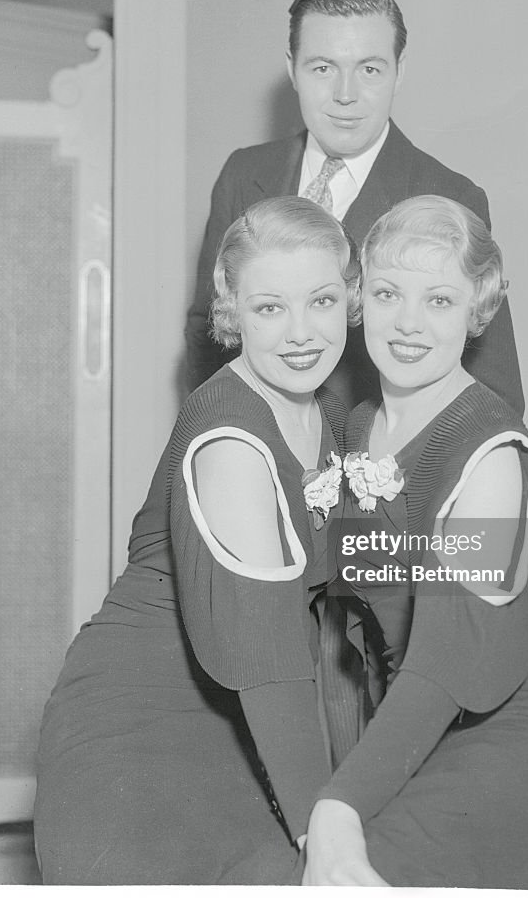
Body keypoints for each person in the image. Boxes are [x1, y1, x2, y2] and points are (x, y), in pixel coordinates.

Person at [302, 196, 528, 887]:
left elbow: (452, 662)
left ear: (477, 310)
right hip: (434, 722)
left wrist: (340, 805)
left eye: (441, 300)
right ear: (361, 295)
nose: (409, 323)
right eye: (390, 293)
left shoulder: (490, 452)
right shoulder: (357, 426)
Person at [34, 198, 361, 884]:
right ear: (231, 310)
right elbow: (266, 660)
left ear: (351, 299)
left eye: (322, 300)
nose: (302, 332)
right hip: (143, 730)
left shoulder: (324, 412)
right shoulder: (231, 438)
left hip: (237, 724)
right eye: (270, 307)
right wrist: (319, 830)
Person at [185, 0, 523, 414]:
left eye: (369, 69)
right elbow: (206, 331)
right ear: (292, 69)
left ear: (399, 72)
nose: (346, 94)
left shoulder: (449, 195)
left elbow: (494, 389)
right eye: (323, 68)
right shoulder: (244, 172)